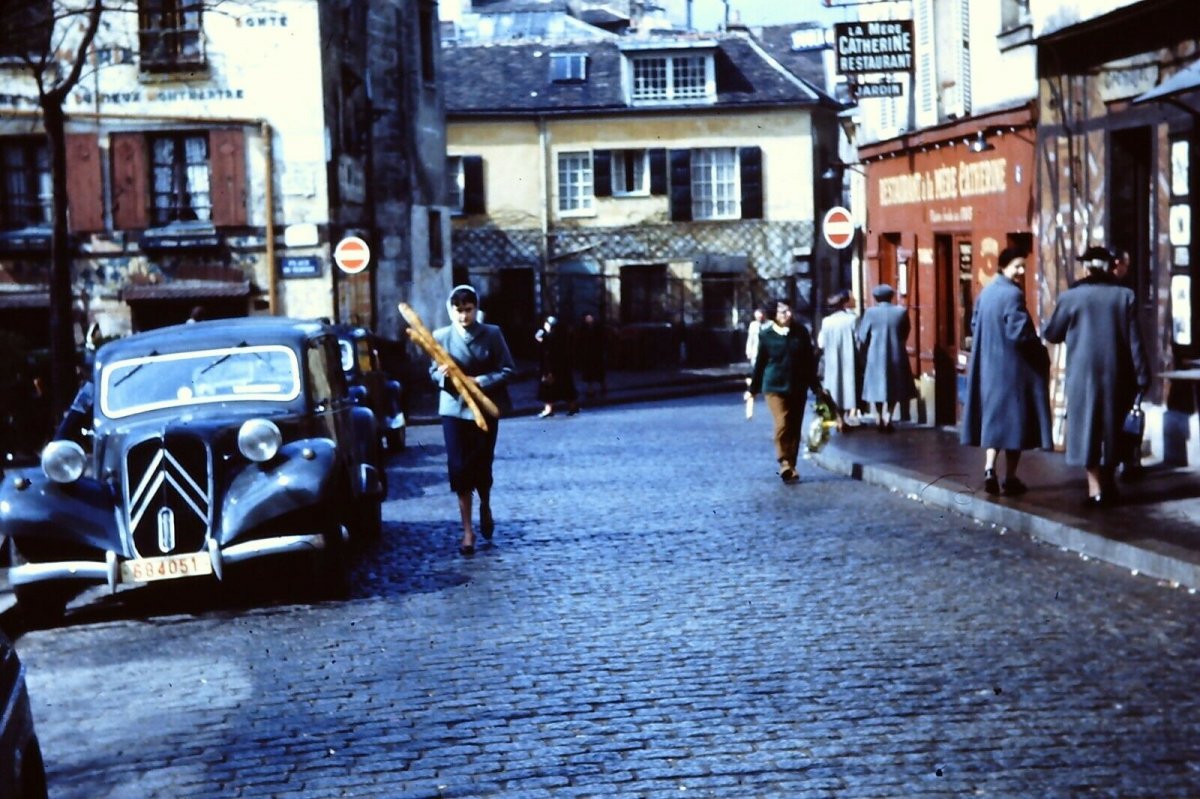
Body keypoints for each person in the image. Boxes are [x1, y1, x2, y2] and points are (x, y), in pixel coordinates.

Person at [1042, 246, 1150, 507]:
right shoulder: (1125, 296)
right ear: (1110, 267)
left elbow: (1052, 333)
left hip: (1083, 375)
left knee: (1087, 429)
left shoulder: (1071, 297)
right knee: (1112, 429)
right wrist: (1142, 376)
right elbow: (1135, 342)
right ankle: (1109, 484)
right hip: (1117, 374)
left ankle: (1095, 490)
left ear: (1086, 268)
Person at [959, 248, 1054, 496]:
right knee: (1015, 425)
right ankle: (1010, 477)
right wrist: (1039, 351)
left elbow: (974, 324)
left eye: (1023, 266)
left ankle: (989, 469)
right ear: (1003, 266)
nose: (1021, 271)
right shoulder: (1013, 294)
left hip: (989, 370)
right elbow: (1019, 332)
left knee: (994, 422)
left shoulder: (986, 293)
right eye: (1017, 266)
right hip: (1013, 370)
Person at [429, 285, 516, 555]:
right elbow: (432, 372)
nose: (464, 316)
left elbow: (508, 369)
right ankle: (467, 530)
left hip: (484, 409)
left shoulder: (492, 334)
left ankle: (485, 504)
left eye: (468, 310)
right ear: (451, 310)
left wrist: (480, 381)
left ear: (476, 309)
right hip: (453, 410)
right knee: (459, 468)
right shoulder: (440, 337)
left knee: (482, 464)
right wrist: (443, 375)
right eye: (458, 310)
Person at [747, 298, 819, 483]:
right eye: (783, 311)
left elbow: (809, 361)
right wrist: (753, 389)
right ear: (774, 315)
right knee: (782, 422)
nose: (788, 314)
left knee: (794, 425)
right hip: (774, 386)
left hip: (798, 385)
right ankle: (783, 460)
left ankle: (791, 465)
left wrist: (816, 387)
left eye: (789, 310)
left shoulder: (801, 332)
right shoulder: (766, 335)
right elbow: (760, 363)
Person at [857, 283, 916, 432]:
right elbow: (905, 331)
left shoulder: (870, 313)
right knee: (894, 387)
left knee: (876, 387)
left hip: (875, 355)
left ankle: (878, 416)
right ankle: (888, 416)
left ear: (876, 298)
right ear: (891, 296)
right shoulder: (901, 312)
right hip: (896, 353)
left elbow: (863, 336)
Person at [816, 290, 861, 433]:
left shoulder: (826, 321)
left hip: (831, 360)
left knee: (834, 388)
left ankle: (839, 418)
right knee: (848, 387)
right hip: (849, 358)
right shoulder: (853, 319)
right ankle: (844, 418)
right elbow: (858, 340)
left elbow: (821, 343)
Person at [535, 315, 579, 417]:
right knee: (563, 388)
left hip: (553, 366)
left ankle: (552, 409)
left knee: (550, 388)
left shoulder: (552, 338)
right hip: (559, 367)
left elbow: (547, 351)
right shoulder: (556, 336)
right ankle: (571, 407)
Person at [576, 312, 606, 397]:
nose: (589, 319)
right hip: (588, 352)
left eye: (590, 318)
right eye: (587, 318)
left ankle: (602, 386)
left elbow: (602, 339)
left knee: (599, 371)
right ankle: (591, 388)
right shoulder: (583, 328)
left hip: (597, 352)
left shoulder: (597, 327)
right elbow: (580, 340)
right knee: (589, 372)